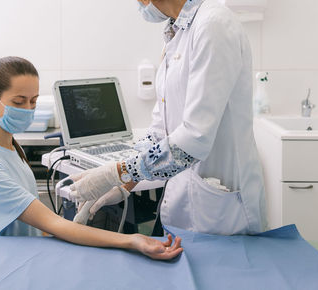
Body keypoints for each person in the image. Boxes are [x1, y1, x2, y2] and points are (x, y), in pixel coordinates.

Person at [69, 0, 266, 235]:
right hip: (185, 195)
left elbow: (194, 140)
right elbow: (160, 129)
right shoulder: (177, 31)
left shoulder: (214, 25)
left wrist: (118, 171)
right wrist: (124, 183)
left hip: (220, 207)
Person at [0, 56, 182, 260]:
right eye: (19, 102)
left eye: (33, 101)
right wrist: (131, 240)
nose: (28, 110)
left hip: (28, 251)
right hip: (6, 263)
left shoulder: (10, 148)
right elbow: (53, 223)